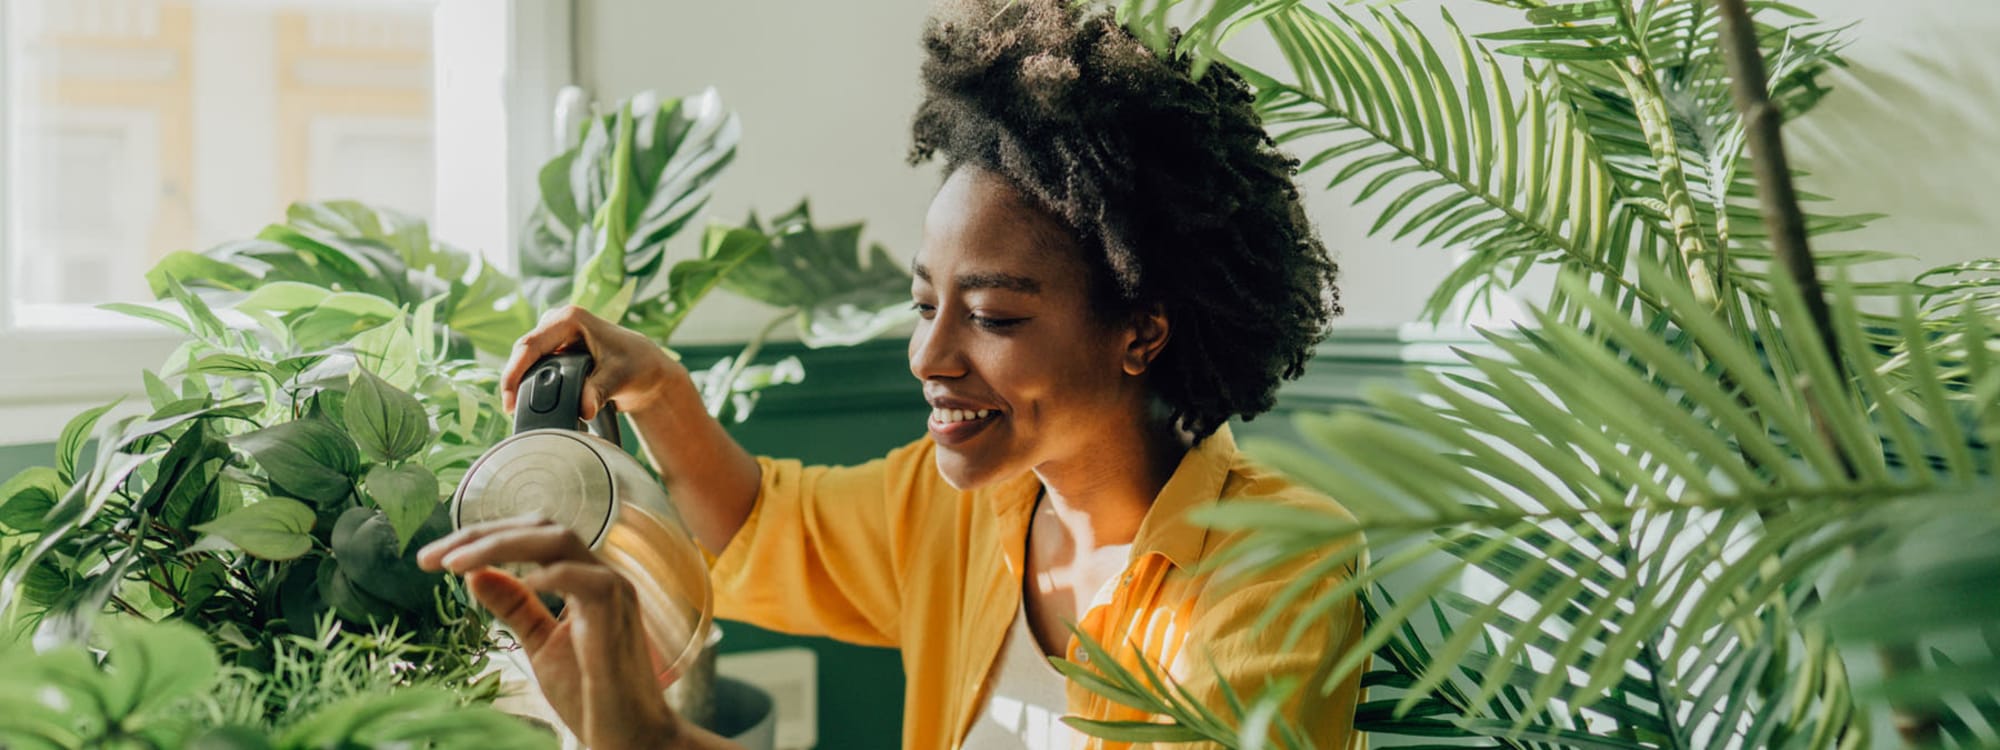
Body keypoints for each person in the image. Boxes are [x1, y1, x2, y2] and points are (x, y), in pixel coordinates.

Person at [417, 0, 1365, 747]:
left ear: (1142, 333)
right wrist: (661, 388)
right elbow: (761, 529)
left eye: (993, 316)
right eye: (924, 305)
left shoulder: (1276, 568)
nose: (929, 355)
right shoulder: (964, 506)